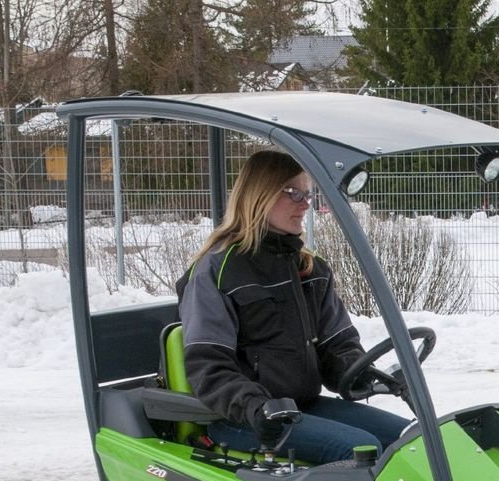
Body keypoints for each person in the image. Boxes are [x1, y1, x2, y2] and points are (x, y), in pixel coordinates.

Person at [175, 149, 409, 464]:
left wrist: (360, 375)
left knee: (409, 439)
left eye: (308, 193)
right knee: (359, 450)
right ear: (259, 195)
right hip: (245, 418)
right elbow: (209, 367)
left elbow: (337, 345)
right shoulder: (218, 270)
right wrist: (255, 407)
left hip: (301, 407)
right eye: (293, 193)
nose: (305, 203)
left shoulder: (310, 268)